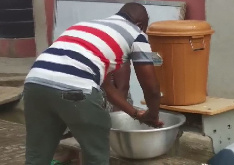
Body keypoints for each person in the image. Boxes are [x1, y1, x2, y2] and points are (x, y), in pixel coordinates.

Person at [23, 2, 163, 165]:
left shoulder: (83, 26)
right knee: (96, 155)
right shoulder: (137, 34)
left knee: (36, 156)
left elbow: (107, 87)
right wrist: (152, 114)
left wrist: (135, 114)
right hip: (76, 90)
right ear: (140, 24)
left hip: (34, 83)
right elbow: (151, 87)